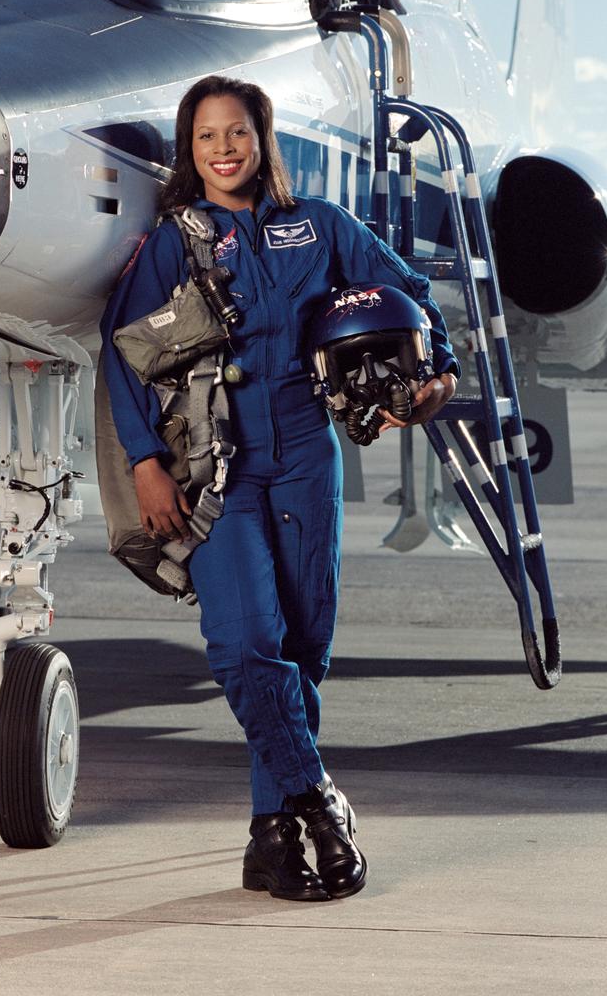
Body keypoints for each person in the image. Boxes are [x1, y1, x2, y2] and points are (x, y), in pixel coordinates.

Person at [99, 74, 458, 901]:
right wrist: (146, 463)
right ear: (189, 154)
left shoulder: (319, 227)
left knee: (303, 649)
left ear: (264, 139)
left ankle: (270, 839)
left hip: (306, 454)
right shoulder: (172, 245)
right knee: (245, 644)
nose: (224, 150)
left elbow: (407, 290)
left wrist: (433, 372)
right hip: (216, 471)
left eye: (237, 133)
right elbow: (124, 355)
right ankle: (320, 805)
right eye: (205, 138)